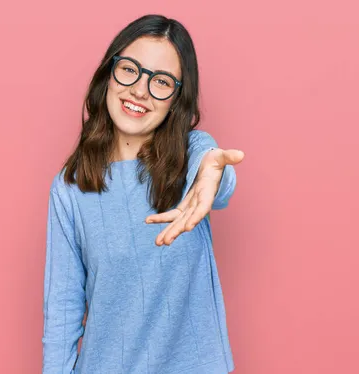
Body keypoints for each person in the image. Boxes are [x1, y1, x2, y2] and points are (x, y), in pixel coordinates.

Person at [42, 14, 245, 374]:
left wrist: (212, 172)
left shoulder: (192, 156)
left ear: (176, 99)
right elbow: (61, 315)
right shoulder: (71, 187)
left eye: (161, 81)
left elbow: (217, 176)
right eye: (130, 70)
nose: (140, 90)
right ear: (110, 73)